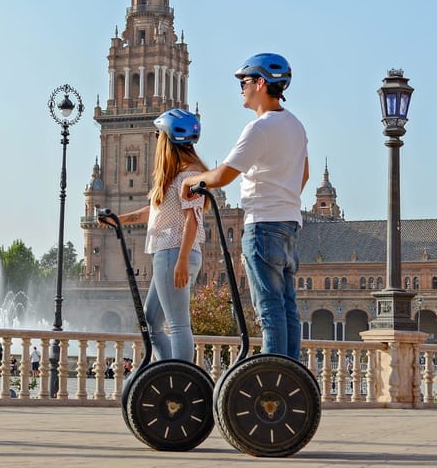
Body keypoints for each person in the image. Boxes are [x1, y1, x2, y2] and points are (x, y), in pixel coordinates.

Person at [182, 53, 309, 360]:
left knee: (268, 308)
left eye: (245, 82)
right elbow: (303, 175)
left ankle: (273, 370)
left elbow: (223, 176)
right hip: (289, 223)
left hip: (262, 224)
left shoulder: (259, 128)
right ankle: (290, 369)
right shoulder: (296, 126)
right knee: (287, 306)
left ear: (261, 83)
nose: (241, 88)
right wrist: (282, 198)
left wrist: (191, 181)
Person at [104, 108, 208, 362]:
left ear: (168, 139)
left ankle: (181, 375)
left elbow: (192, 219)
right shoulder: (178, 173)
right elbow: (155, 210)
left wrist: (181, 260)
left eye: (158, 134)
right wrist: (119, 220)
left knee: (178, 324)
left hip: (174, 253)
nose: (156, 139)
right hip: (171, 254)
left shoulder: (188, 174)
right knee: (152, 321)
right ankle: (168, 370)